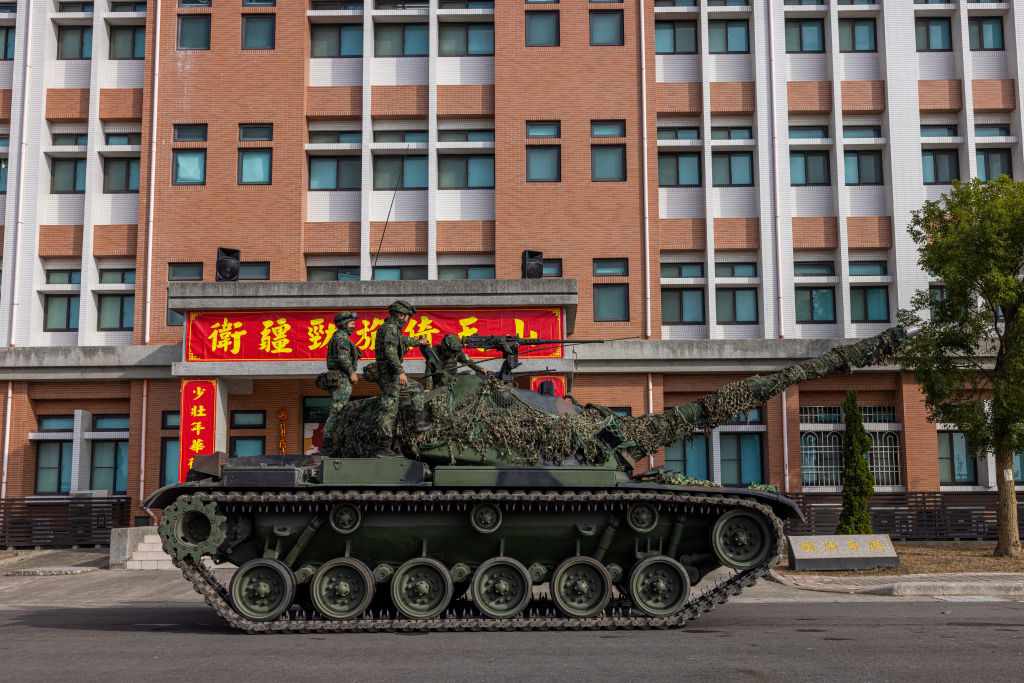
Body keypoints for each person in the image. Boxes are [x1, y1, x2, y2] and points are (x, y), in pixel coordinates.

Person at [375, 300, 430, 457]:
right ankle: (384, 446)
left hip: (391, 374)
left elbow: (403, 340)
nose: (407, 321)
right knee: (390, 408)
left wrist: (418, 342)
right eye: (407, 317)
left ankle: (419, 424)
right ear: (400, 315)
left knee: (416, 389)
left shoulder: (391, 329)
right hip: (390, 375)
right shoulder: (390, 329)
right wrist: (400, 372)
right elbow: (390, 352)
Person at [322, 311, 361, 454]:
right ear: (344, 324)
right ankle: (327, 446)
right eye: (351, 324)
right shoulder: (341, 337)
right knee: (337, 411)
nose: (354, 327)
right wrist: (351, 372)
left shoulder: (340, 337)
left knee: (339, 410)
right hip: (342, 377)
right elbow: (343, 358)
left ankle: (332, 444)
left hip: (340, 377)